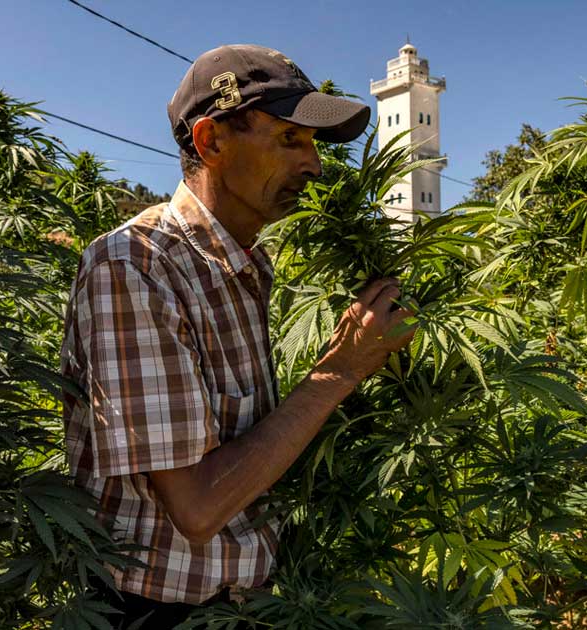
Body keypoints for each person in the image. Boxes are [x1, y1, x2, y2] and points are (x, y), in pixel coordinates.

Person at [59, 44, 418, 629]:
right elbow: (197, 509)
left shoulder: (247, 265)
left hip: (249, 605)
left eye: (313, 145)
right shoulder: (136, 265)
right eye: (289, 140)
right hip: (155, 613)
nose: (316, 166)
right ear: (212, 142)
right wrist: (342, 371)